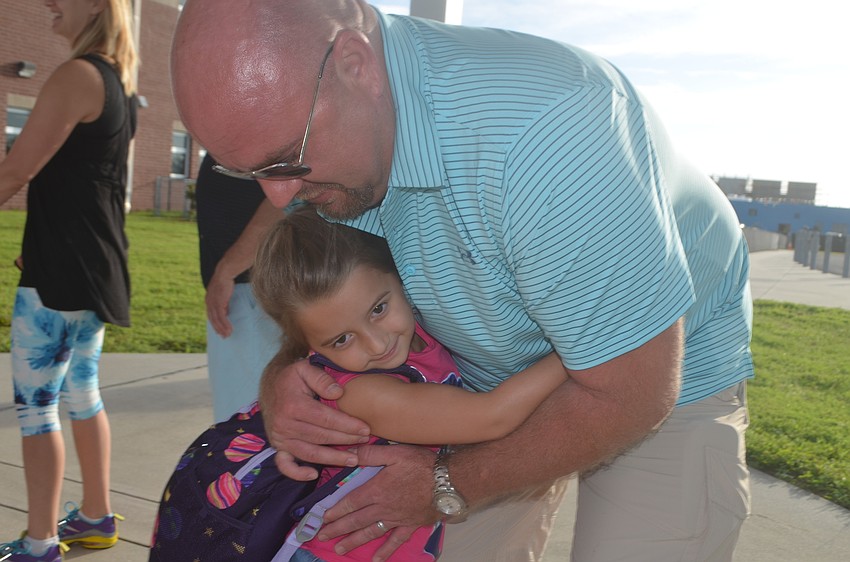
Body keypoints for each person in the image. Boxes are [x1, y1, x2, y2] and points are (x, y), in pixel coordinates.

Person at [170, 1, 754, 561]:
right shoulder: (320, 151)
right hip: (476, 379)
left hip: (657, 378)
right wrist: (282, 385)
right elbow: (319, 321)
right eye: (248, 174)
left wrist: (449, 482)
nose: (280, 195)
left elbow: (632, 390)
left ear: (357, 65)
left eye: (284, 160)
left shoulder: (550, 130)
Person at [251, 207, 568, 562]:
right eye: (341, 340)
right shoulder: (363, 393)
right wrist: (577, 348)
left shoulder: (417, 333)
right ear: (308, 345)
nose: (376, 344)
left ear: (401, 278)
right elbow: (492, 415)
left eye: (378, 309)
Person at [0, 1, 138, 561]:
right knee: (80, 394)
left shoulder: (78, 74)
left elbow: (16, 169)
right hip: (93, 269)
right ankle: (95, 517)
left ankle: (40, 543)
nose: (47, 4)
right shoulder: (115, 83)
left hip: (60, 277)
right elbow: (84, 188)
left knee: (38, 406)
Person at [195, 153, 282, 421]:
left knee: (248, 424)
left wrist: (226, 270)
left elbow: (287, 199)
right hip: (248, 293)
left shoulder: (271, 119)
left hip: (255, 295)